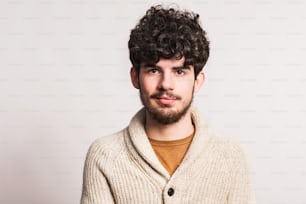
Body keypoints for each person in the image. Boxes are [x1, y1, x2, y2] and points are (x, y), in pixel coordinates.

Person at [80, 4, 256, 204]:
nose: (166, 84)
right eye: (154, 70)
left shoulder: (230, 157)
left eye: (179, 71)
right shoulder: (105, 156)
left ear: (197, 81)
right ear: (135, 77)